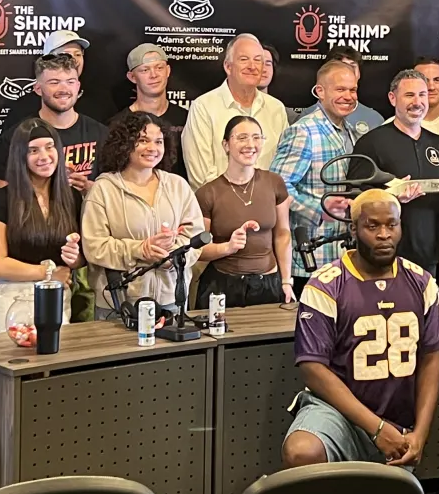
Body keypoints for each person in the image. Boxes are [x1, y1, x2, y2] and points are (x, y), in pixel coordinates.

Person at [282, 190, 439, 468]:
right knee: (302, 450)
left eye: (391, 225)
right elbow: (312, 367)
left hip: (397, 415)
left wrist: (421, 432)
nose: (384, 234)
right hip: (337, 414)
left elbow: (431, 356)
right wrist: (377, 428)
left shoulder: (422, 283)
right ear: (354, 229)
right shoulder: (326, 284)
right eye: (373, 226)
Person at [81, 112, 206, 319]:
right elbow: (95, 247)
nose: (152, 148)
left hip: (171, 303)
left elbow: (194, 239)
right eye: (142, 140)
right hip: (119, 307)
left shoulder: (178, 186)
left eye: (158, 141)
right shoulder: (103, 189)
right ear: (124, 144)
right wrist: (140, 250)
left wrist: (171, 256)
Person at [0, 119, 83, 335]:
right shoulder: (1, 199)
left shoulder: (72, 198)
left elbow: (79, 260)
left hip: (57, 303)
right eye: (33, 150)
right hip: (9, 307)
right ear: (20, 157)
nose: (44, 156)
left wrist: (75, 258)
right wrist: (47, 273)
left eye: (49, 147)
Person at [352, 70, 439, 276]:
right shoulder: (370, 143)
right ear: (392, 98)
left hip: (429, 257)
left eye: (422, 95)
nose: (417, 102)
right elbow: (356, 198)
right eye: (409, 95)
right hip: (383, 256)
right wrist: (391, 197)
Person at [275, 59, 366, 281]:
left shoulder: (353, 134)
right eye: (340, 89)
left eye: (353, 90)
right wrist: (319, 209)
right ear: (320, 91)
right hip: (309, 259)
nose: (349, 96)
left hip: (345, 258)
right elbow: (278, 186)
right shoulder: (303, 131)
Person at [192, 116, 294, 309]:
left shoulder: (274, 183)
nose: (250, 144)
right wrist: (228, 247)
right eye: (242, 138)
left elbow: (283, 233)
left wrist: (286, 280)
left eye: (257, 138)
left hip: (269, 284)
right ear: (226, 145)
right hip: (222, 286)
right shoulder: (207, 193)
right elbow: (198, 250)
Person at [0, 51, 107, 194]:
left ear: (78, 86)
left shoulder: (101, 133)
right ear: (38, 89)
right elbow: (4, 194)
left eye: (70, 82)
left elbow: (116, 188)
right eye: (54, 82)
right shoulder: (17, 136)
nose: (64, 89)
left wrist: (91, 190)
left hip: (88, 215)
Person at [183, 33, 290, 188]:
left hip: (266, 206)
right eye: (244, 59)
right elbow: (201, 175)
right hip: (219, 208)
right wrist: (238, 202)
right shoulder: (204, 107)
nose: (252, 66)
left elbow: (284, 164)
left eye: (258, 60)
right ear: (228, 66)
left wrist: (264, 199)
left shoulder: (276, 109)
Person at [0, 28, 113, 139]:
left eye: (78, 54)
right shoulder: (22, 109)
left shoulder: (100, 102)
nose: (73, 60)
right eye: (64, 55)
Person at [123, 43, 188, 183]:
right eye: (145, 70)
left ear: (168, 71)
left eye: (159, 68)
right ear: (132, 77)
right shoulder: (120, 123)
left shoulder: (188, 118)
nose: (154, 75)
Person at [322, 46, 386, 137]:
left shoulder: (374, 119)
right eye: (342, 66)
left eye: (352, 66)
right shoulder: (308, 118)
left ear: (359, 73)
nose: (347, 72)